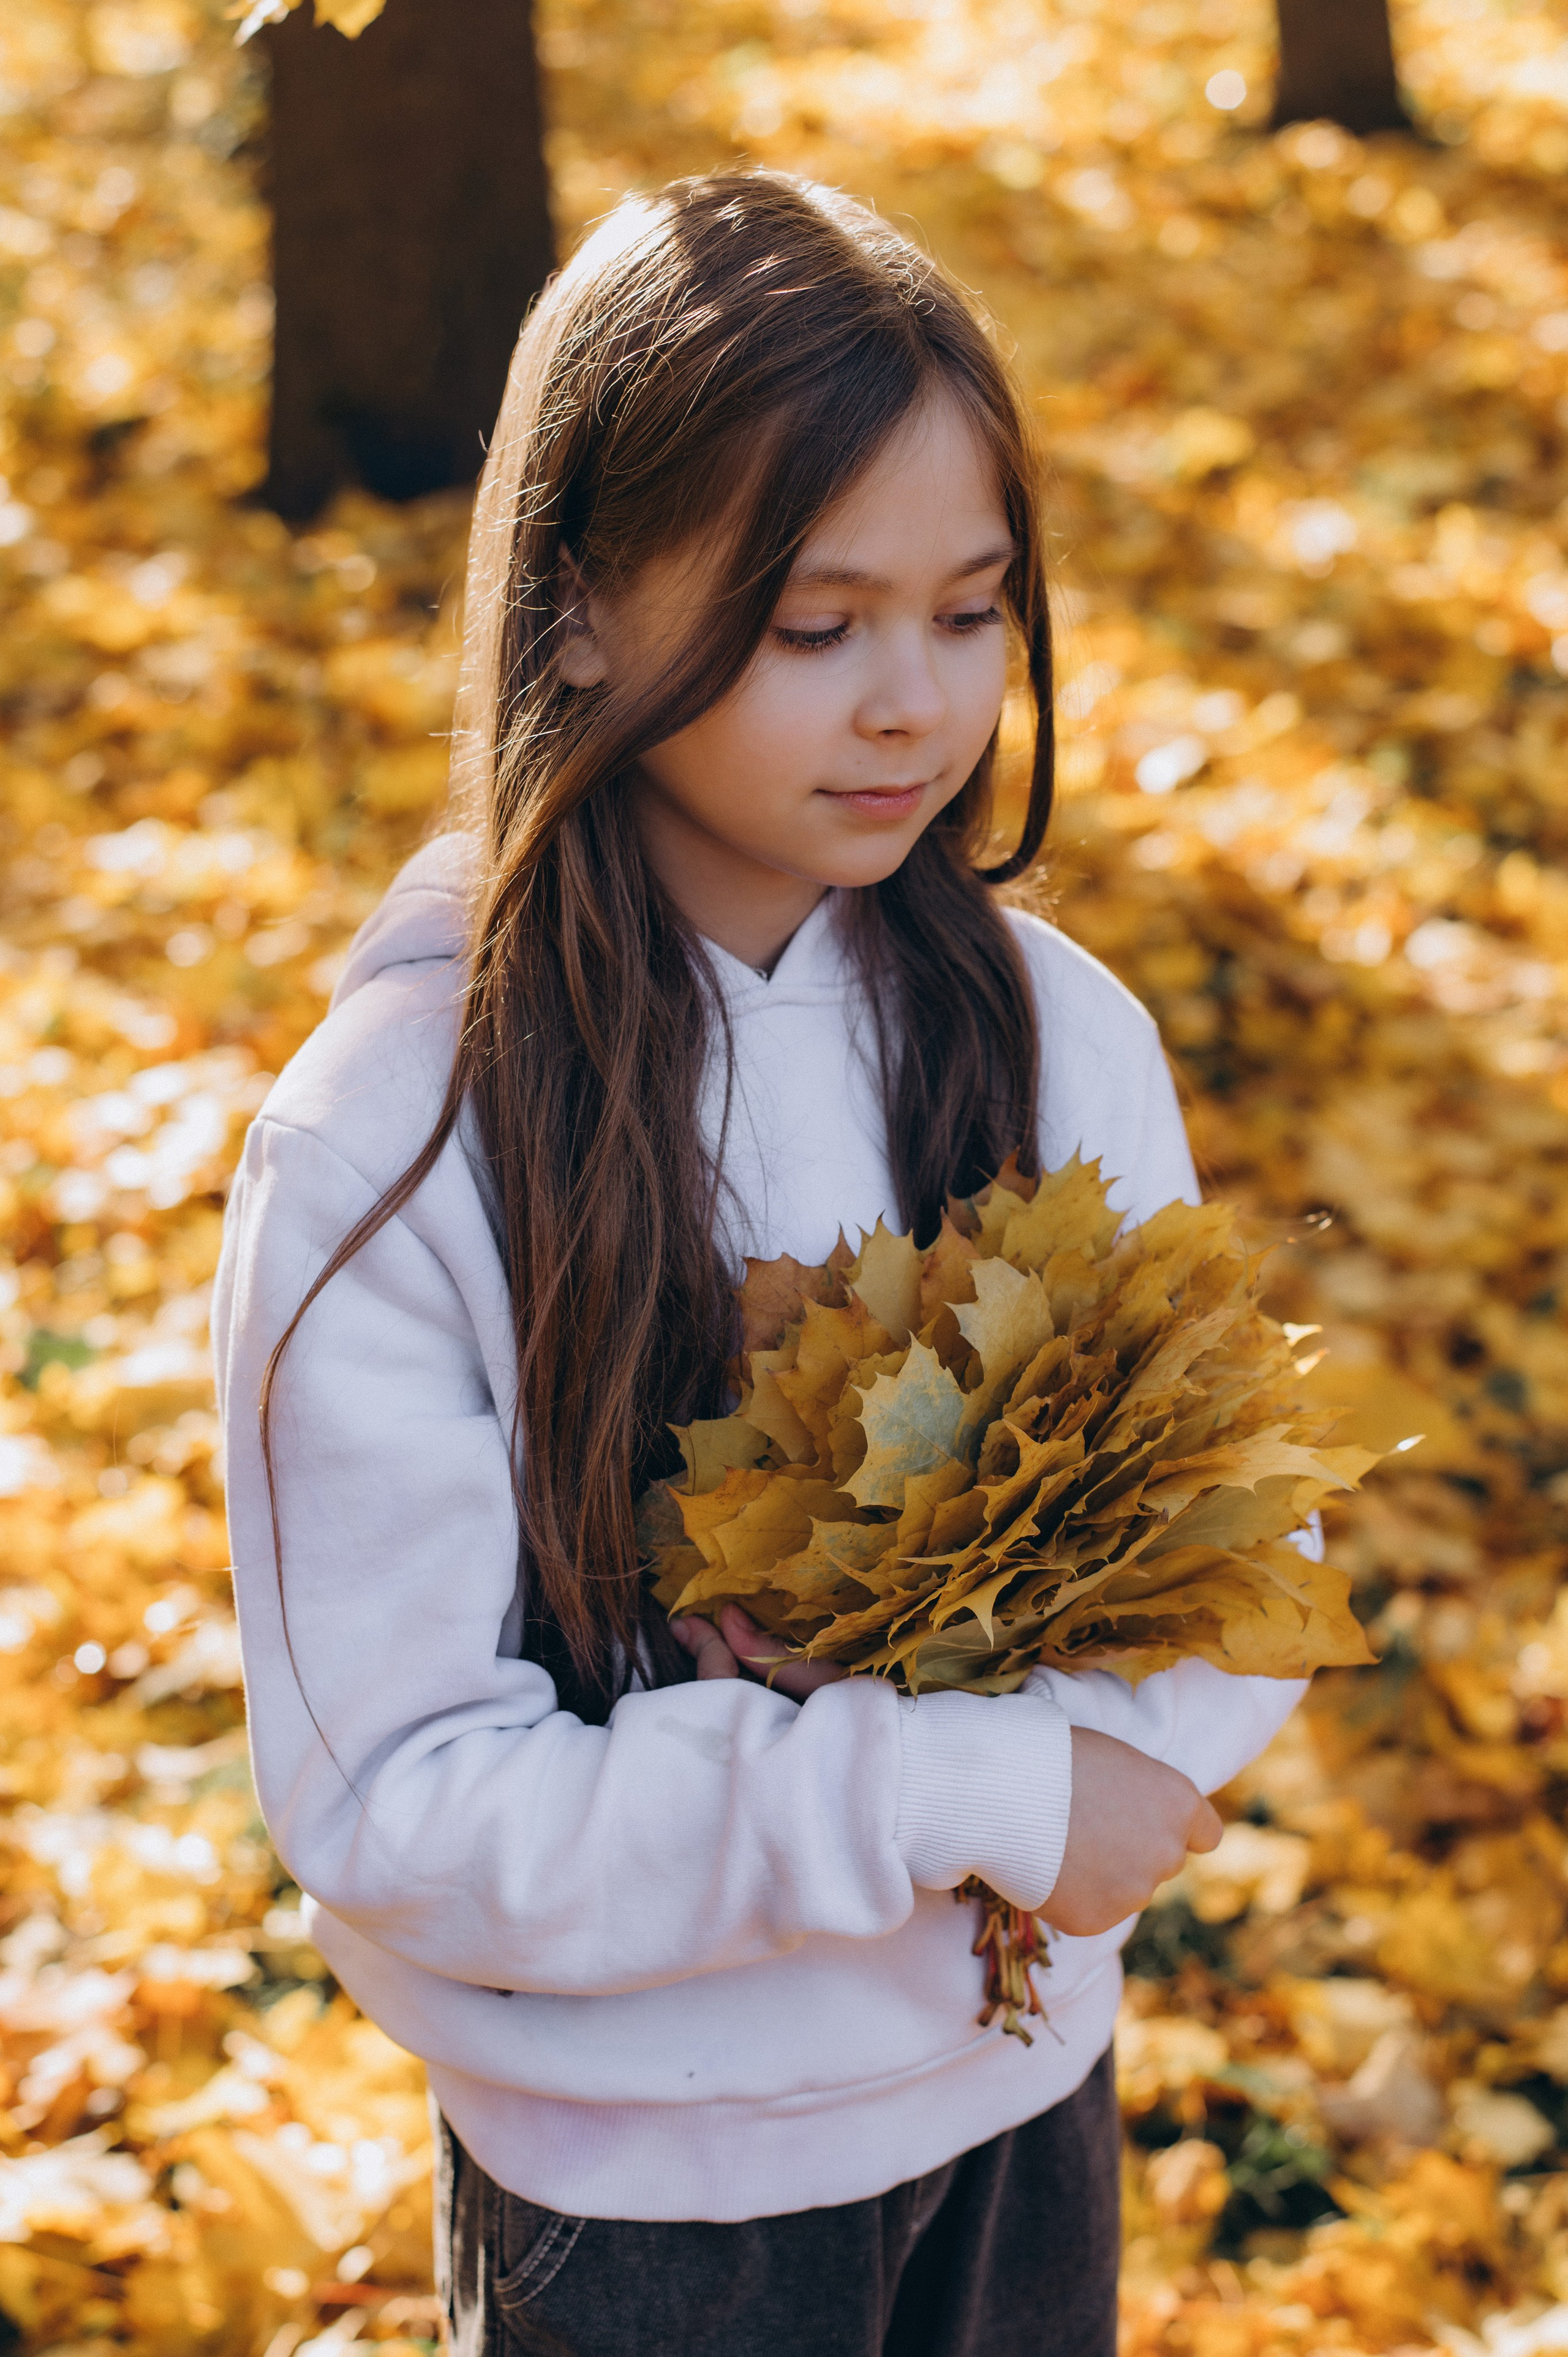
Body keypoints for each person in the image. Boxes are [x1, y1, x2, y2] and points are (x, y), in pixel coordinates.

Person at [214, 170, 1310, 2357]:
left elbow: (1237, 1550)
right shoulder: (399, 1140)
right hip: (643, 2203)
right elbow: (400, 1805)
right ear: (579, 609)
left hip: (1022, 2099)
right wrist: (956, 1789)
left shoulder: (1046, 1031)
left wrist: (1118, 1763)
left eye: (977, 612)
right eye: (816, 630)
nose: (915, 704)